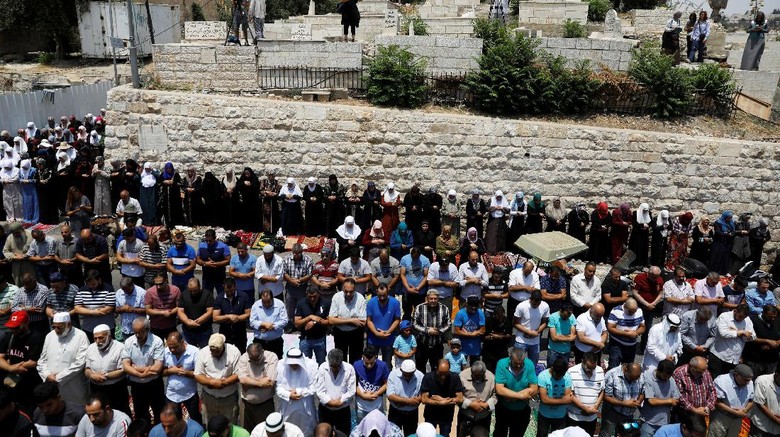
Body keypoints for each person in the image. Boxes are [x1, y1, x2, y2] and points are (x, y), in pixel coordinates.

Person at [37, 313, 89, 406]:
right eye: (54, 327)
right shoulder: (50, 336)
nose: (56, 330)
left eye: (60, 327)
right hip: (51, 385)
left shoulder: (81, 336)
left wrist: (59, 377)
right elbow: (42, 360)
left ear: (69, 324)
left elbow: (80, 363)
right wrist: (46, 375)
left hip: (73, 386)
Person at [122, 317, 165, 425]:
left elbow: (157, 368)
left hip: (154, 384)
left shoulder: (157, 341)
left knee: (159, 411)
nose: (137, 335)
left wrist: (136, 369)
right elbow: (126, 366)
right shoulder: (129, 342)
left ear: (147, 329)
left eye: (140, 332)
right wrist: (140, 373)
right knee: (140, 414)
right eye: (135, 332)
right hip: (137, 385)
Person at [0, 310, 44, 415]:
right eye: (11, 327)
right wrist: (11, 368)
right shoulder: (9, 337)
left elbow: (33, 362)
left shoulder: (36, 337)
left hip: (30, 382)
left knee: (30, 411)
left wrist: (12, 365)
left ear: (26, 324)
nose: (13, 330)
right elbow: (0, 357)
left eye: (16, 327)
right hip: (12, 382)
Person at [195, 333, 241, 424]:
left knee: (230, 423)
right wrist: (211, 382)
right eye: (212, 351)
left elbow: (238, 373)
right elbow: (198, 375)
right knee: (210, 423)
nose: (213, 353)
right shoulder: (203, 353)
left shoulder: (234, 352)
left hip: (229, 397)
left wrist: (224, 383)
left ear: (223, 346)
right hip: (209, 396)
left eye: (217, 351)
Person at [85, 325, 130, 416]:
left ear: (109, 336)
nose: (98, 341)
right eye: (95, 338)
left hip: (115, 389)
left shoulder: (120, 348)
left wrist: (105, 376)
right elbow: (87, 369)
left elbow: (123, 370)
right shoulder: (91, 348)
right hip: (96, 388)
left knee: (119, 413)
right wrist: (92, 376)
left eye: (101, 338)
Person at [494, 348, 538, 437]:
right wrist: (521, 396)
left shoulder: (529, 364)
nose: (518, 366)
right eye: (516, 363)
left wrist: (512, 397)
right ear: (510, 358)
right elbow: (499, 389)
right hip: (504, 409)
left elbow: (534, 388)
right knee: (500, 433)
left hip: (522, 410)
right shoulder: (502, 364)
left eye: (521, 364)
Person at [275, 347, 319, 436]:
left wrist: (300, 391)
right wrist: (288, 394)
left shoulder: (311, 365)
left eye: (296, 363)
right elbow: (278, 387)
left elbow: (314, 386)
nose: (294, 366)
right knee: (287, 430)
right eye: (291, 364)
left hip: (305, 406)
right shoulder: (280, 365)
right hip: (287, 405)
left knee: (306, 430)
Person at [237, 342, 278, 432]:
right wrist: (261, 383)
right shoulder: (244, 357)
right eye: (252, 359)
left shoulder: (271, 357)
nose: (254, 361)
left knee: (266, 431)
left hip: (265, 404)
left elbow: (270, 382)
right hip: (246, 403)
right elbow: (242, 380)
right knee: (246, 431)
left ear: (262, 352)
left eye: (257, 358)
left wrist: (249, 384)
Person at [420, 359, 464, 437]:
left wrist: (443, 400)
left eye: (445, 373)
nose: (443, 377)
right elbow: (424, 399)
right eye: (440, 373)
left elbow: (460, 398)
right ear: (436, 368)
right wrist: (440, 403)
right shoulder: (428, 377)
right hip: (431, 414)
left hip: (447, 415)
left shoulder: (454, 378)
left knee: (445, 435)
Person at [315, 349, 355, 434]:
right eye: (332, 366)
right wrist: (330, 402)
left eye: (337, 367)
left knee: (343, 433)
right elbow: (319, 391)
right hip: (325, 409)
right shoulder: (322, 367)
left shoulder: (349, 369)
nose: (334, 369)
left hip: (343, 410)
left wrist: (341, 401)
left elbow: (351, 391)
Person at [709, 303, 755, 377]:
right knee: (715, 379)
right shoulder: (724, 316)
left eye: (743, 318)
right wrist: (741, 332)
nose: (741, 319)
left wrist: (736, 333)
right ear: (735, 311)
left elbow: (752, 336)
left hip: (734, 359)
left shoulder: (747, 320)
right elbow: (723, 334)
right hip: (719, 356)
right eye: (740, 316)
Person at [328, 278, 366, 365]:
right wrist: (352, 320)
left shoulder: (360, 298)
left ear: (355, 289)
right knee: (340, 360)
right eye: (346, 291)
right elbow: (331, 320)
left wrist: (339, 319)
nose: (348, 294)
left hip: (356, 333)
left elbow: (362, 322)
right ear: (342, 288)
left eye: (351, 291)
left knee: (356, 361)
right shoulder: (337, 297)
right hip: (340, 333)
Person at [710, 364, 754, 437]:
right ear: (736, 375)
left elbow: (751, 401)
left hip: (738, 418)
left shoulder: (750, 383)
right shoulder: (722, 381)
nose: (747, 383)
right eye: (745, 380)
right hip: (721, 417)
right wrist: (734, 412)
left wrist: (744, 410)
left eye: (749, 380)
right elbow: (717, 402)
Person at [600, 363, 644, 437]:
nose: (634, 381)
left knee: (627, 435)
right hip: (612, 413)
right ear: (625, 370)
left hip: (629, 414)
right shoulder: (612, 374)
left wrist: (639, 401)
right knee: (606, 434)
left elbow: (642, 391)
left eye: (636, 379)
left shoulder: (639, 376)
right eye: (631, 378)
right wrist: (625, 404)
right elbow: (606, 397)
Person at [566, 352, 604, 435]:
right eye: (588, 367)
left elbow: (601, 391)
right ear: (582, 361)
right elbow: (570, 394)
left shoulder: (600, 371)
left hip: (592, 417)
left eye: (593, 368)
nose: (591, 370)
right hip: (575, 417)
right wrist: (585, 409)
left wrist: (594, 407)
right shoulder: (571, 372)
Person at [412, 289, 450, 372]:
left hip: (437, 344)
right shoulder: (419, 308)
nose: (433, 301)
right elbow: (414, 324)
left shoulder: (444, 309)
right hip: (422, 343)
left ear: (438, 299)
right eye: (431, 298)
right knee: (420, 367)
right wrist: (427, 330)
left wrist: (438, 331)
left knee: (436, 368)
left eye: (435, 299)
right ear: (427, 298)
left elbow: (448, 324)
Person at [639, 359, 680, 437]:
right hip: (649, 422)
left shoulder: (671, 380)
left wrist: (672, 401)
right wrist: (669, 401)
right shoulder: (649, 379)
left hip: (664, 422)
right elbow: (652, 401)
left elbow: (676, 399)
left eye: (669, 376)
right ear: (658, 370)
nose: (666, 379)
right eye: (664, 376)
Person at [74, 270, 116, 342]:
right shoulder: (82, 290)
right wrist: (93, 312)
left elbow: (109, 308)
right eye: (89, 284)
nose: (91, 286)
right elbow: (77, 308)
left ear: (99, 280)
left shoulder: (108, 289)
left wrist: (86, 311)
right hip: (88, 328)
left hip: (106, 327)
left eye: (93, 284)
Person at [672, 357, 716, 424]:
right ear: (690, 366)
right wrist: (694, 410)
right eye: (698, 372)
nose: (701, 374)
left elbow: (712, 390)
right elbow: (679, 395)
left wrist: (708, 407)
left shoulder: (705, 372)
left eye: (703, 371)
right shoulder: (679, 373)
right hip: (685, 414)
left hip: (703, 413)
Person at [365, 283, 401, 366]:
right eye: (380, 295)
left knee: (387, 364)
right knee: (371, 363)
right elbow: (369, 320)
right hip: (373, 339)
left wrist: (387, 332)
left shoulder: (395, 303)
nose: (382, 298)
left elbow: (397, 320)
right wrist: (377, 333)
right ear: (376, 291)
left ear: (388, 291)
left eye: (384, 295)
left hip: (388, 338)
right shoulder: (371, 302)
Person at [536, 357, 573, 436]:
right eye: (556, 375)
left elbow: (569, 399)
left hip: (560, 416)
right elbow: (544, 400)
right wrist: (563, 400)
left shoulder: (567, 377)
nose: (558, 378)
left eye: (561, 376)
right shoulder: (543, 376)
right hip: (544, 415)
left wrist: (551, 400)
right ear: (552, 368)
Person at [213, 278, 251, 354]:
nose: (230, 293)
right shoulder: (219, 298)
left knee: (241, 354)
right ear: (224, 287)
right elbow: (215, 318)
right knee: (225, 354)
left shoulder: (243, 296)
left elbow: (248, 314)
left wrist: (237, 318)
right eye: (227, 291)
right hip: (225, 332)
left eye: (232, 291)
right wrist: (228, 316)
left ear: (235, 286)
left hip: (240, 332)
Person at [457, 360, 496, 435]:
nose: (477, 379)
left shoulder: (491, 377)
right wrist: (471, 404)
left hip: (483, 416)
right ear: (471, 371)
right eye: (475, 376)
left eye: (480, 376)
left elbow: (495, 395)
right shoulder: (462, 376)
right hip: (466, 414)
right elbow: (458, 395)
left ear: (484, 373)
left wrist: (486, 404)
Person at [353, 345, 390, 423]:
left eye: (372, 363)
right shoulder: (356, 365)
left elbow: (387, 384)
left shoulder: (383, 366)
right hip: (361, 407)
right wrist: (363, 395)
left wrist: (376, 394)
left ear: (376, 357)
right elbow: (352, 384)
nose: (369, 366)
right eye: (366, 363)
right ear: (362, 357)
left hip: (378, 406)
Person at [606, 298, 645, 369]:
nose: (632, 314)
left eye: (634, 312)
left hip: (632, 345)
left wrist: (635, 333)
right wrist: (626, 334)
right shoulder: (616, 311)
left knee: (628, 368)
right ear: (625, 307)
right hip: (617, 344)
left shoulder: (639, 311)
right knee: (613, 367)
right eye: (630, 312)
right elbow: (610, 328)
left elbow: (642, 326)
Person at [513, 290, 549, 365]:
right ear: (530, 299)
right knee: (517, 363)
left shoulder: (545, 306)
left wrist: (536, 332)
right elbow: (516, 323)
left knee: (533, 364)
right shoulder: (521, 306)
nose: (535, 306)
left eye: (537, 304)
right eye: (533, 304)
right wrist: (528, 332)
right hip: (521, 340)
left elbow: (545, 322)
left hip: (535, 341)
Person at [294, 287, 329, 364]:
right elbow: (297, 323)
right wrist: (309, 317)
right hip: (305, 339)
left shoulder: (325, 302)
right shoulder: (301, 303)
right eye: (310, 296)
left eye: (314, 296)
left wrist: (314, 322)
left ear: (318, 294)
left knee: (322, 364)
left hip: (320, 339)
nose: (312, 299)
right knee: (305, 364)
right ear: (306, 295)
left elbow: (329, 321)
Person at [632, 266, 664, 350]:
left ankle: (643, 347)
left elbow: (661, 293)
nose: (655, 279)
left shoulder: (659, 280)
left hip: (652, 307)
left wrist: (654, 303)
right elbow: (635, 293)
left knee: (647, 328)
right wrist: (646, 304)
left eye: (656, 277)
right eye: (653, 277)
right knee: (634, 326)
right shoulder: (640, 277)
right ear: (648, 273)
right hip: (640, 306)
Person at [282, 244, 313, 330]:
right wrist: (292, 281)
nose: (296, 255)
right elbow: (284, 273)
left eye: (298, 254)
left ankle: (301, 324)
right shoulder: (286, 259)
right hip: (290, 287)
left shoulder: (308, 260)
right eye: (294, 254)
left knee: (302, 305)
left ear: (301, 252)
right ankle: (291, 324)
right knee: (289, 306)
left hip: (302, 287)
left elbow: (309, 274)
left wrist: (299, 281)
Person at [743, 305, 780, 376]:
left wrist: (777, 343)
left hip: (772, 360)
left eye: (774, 317)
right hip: (755, 360)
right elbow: (748, 337)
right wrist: (767, 341)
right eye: (770, 317)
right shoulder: (752, 320)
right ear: (763, 313)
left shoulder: (777, 320)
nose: (772, 319)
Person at [178, 278, 214, 348]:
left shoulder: (207, 294)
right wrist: (188, 322)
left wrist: (196, 322)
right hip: (188, 331)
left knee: (205, 352)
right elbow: (180, 311)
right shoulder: (184, 294)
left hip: (204, 330)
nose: (193, 293)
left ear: (199, 286)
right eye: (190, 291)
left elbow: (209, 311)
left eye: (195, 290)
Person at [145, 273, 181, 340]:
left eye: (160, 284)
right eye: (156, 284)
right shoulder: (150, 292)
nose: (158, 287)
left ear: (166, 281)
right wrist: (162, 313)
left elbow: (179, 307)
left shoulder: (175, 290)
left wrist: (171, 312)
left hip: (171, 325)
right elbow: (148, 310)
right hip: (155, 326)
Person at [196, 229, 231, 295]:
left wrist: (217, 264)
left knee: (222, 294)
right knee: (206, 295)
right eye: (207, 240)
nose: (208, 242)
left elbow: (228, 260)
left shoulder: (223, 247)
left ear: (215, 238)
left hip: (220, 276)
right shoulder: (201, 246)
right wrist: (205, 263)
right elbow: (197, 259)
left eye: (210, 241)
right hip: (207, 277)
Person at [399, 246, 430, 320]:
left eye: (417, 257)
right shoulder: (405, 258)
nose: (415, 259)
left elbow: (426, 276)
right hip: (407, 291)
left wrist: (418, 288)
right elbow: (402, 274)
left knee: (419, 312)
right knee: (407, 312)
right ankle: (406, 328)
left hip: (420, 292)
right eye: (413, 257)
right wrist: (408, 288)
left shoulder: (425, 260)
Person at [749, 367, 780, 437]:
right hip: (761, 426)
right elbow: (760, 404)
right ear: (777, 374)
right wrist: (777, 421)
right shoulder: (762, 381)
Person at [454, 296, 485, 363]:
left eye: (475, 309)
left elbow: (483, 330)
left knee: (476, 369)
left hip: (475, 347)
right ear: (466, 305)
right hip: (462, 347)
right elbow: (456, 330)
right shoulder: (460, 313)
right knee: (461, 369)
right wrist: (472, 334)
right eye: (471, 308)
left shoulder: (480, 313)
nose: (473, 311)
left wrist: (467, 333)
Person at [547, 304, 577, 368]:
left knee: (564, 369)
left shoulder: (571, 316)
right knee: (551, 368)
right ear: (560, 311)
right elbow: (554, 338)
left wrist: (559, 336)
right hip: (553, 350)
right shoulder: (552, 317)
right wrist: (568, 339)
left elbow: (573, 335)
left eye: (569, 316)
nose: (567, 318)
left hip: (566, 350)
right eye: (565, 316)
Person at [710, 211, 735, 275]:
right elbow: (718, 232)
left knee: (725, 257)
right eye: (728, 218)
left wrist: (731, 233)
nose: (729, 219)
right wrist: (726, 234)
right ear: (724, 217)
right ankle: (715, 272)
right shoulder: (718, 223)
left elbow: (733, 231)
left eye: (730, 218)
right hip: (719, 243)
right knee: (717, 257)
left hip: (727, 243)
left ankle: (724, 271)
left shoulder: (731, 223)